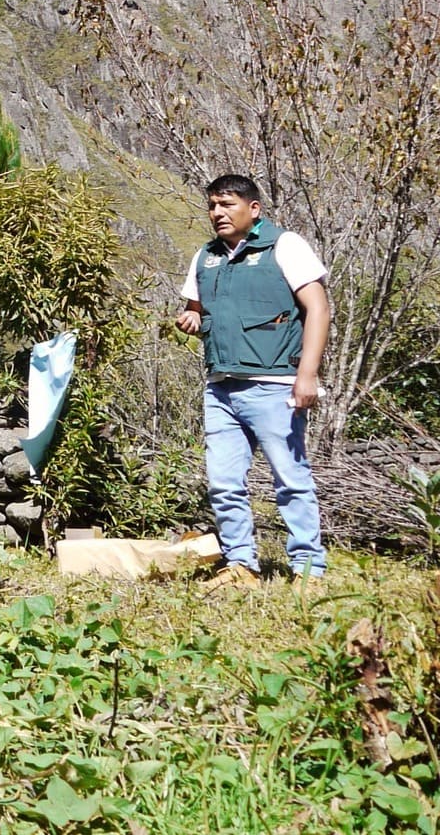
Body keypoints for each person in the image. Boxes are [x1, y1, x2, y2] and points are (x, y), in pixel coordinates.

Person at [175, 174, 331, 586]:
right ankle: (241, 565)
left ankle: (308, 569)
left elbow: (318, 309)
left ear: (254, 208)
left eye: (227, 204)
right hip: (221, 386)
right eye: (212, 206)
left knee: (290, 479)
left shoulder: (285, 246)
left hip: (276, 383)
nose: (217, 213)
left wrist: (307, 375)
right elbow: (196, 309)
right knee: (223, 483)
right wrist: (191, 318)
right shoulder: (205, 257)